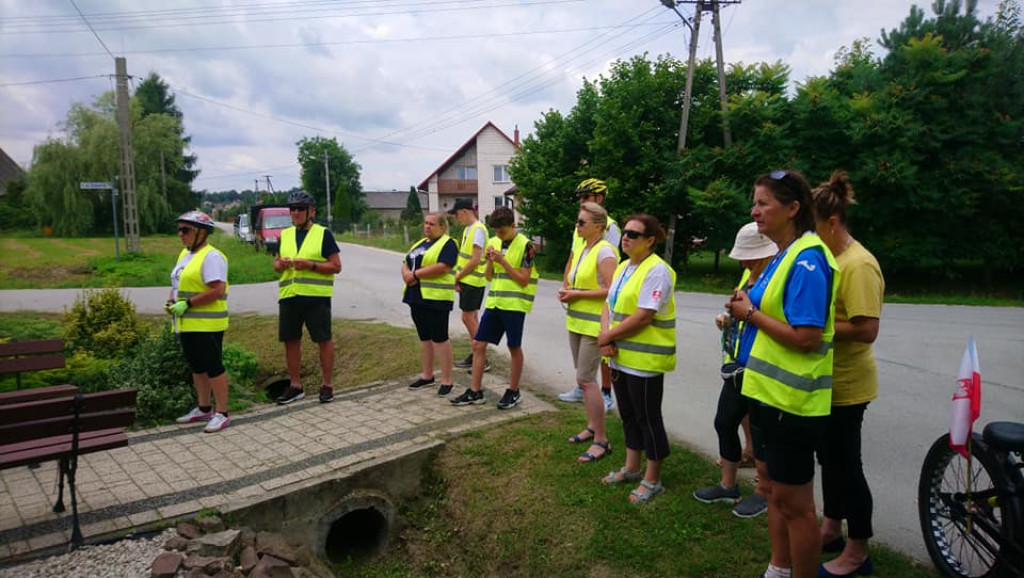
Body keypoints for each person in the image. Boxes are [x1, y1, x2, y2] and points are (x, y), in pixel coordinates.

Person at [726, 169, 839, 578]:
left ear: (792, 208)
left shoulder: (808, 259)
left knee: (797, 504)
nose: (754, 211)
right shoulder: (783, 253)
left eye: (762, 203)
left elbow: (806, 336)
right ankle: (779, 568)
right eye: (754, 202)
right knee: (774, 492)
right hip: (768, 396)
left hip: (792, 404)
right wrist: (746, 303)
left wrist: (750, 313)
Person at [812, 171, 884, 578]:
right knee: (830, 460)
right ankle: (831, 528)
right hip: (826, 381)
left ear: (833, 223)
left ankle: (857, 551)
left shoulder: (858, 265)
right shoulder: (831, 258)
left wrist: (813, 327)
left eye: (814, 226)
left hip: (849, 385)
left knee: (846, 466)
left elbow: (866, 329)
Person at [693, 222, 777, 518]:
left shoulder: (777, 275)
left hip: (764, 365)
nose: (744, 262)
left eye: (750, 256)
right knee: (724, 421)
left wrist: (749, 314)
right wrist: (729, 316)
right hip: (739, 364)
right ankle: (728, 486)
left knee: (761, 430)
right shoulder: (749, 273)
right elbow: (743, 310)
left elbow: (776, 319)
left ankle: (763, 491)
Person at [597, 214, 676, 504]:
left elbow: (645, 315)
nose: (626, 237)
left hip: (645, 362)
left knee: (648, 418)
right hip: (620, 357)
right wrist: (607, 336)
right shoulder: (622, 267)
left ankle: (652, 478)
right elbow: (608, 304)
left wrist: (608, 337)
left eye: (634, 234)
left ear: (651, 240)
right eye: (625, 232)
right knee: (628, 415)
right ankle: (631, 468)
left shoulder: (657, 270)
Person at [450, 207, 538, 410]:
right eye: (496, 231)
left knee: (513, 347)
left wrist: (503, 261)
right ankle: (475, 391)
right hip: (494, 303)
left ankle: (513, 391)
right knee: (478, 345)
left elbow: (524, 280)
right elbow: (489, 276)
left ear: (513, 226)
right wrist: (490, 261)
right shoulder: (494, 242)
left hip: (514, 305)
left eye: (503, 231)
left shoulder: (526, 245)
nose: (499, 235)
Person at [559, 202, 619, 462]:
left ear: (598, 225)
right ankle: (592, 426)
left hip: (594, 326)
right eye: (577, 221)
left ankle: (602, 440)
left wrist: (576, 294)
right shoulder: (584, 248)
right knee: (584, 380)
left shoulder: (605, 252)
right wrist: (569, 293)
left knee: (586, 380)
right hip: (576, 323)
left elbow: (613, 289)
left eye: (581, 222)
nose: (577, 226)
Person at [273, 190, 342, 405]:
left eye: (300, 209)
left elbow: (336, 266)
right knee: (291, 341)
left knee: (323, 340)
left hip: (315, 298)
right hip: (289, 296)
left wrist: (311, 265)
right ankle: (295, 386)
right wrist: (280, 264)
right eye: (292, 209)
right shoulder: (284, 235)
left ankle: (327, 385)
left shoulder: (323, 234)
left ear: (311, 211)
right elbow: (275, 264)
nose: (295, 212)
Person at [168, 211, 231, 433]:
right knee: (197, 367)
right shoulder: (184, 255)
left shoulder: (212, 257)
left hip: (207, 324)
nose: (180, 234)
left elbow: (217, 289)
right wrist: (172, 299)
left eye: (186, 230)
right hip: (187, 323)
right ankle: (204, 408)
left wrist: (188, 304)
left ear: (201, 232)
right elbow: (178, 282)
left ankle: (222, 412)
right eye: (179, 229)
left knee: (213, 367)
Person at [402, 212, 459, 395]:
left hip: (436, 298)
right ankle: (427, 376)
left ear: (442, 227)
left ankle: (447, 380)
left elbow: (444, 266)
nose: (427, 226)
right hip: (416, 296)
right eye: (425, 223)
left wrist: (416, 274)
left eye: (432, 224)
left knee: (440, 338)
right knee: (424, 337)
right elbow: (405, 261)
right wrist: (406, 275)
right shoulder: (420, 244)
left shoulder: (448, 243)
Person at [448, 199, 491, 373]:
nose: (457, 219)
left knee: (467, 318)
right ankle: (477, 355)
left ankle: (481, 358)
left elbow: (474, 260)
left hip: (473, 281)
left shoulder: (478, 230)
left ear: (465, 211)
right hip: (469, 281)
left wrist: (457, 277)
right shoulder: (469, 229)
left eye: (457, 214)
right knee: (472, 318)